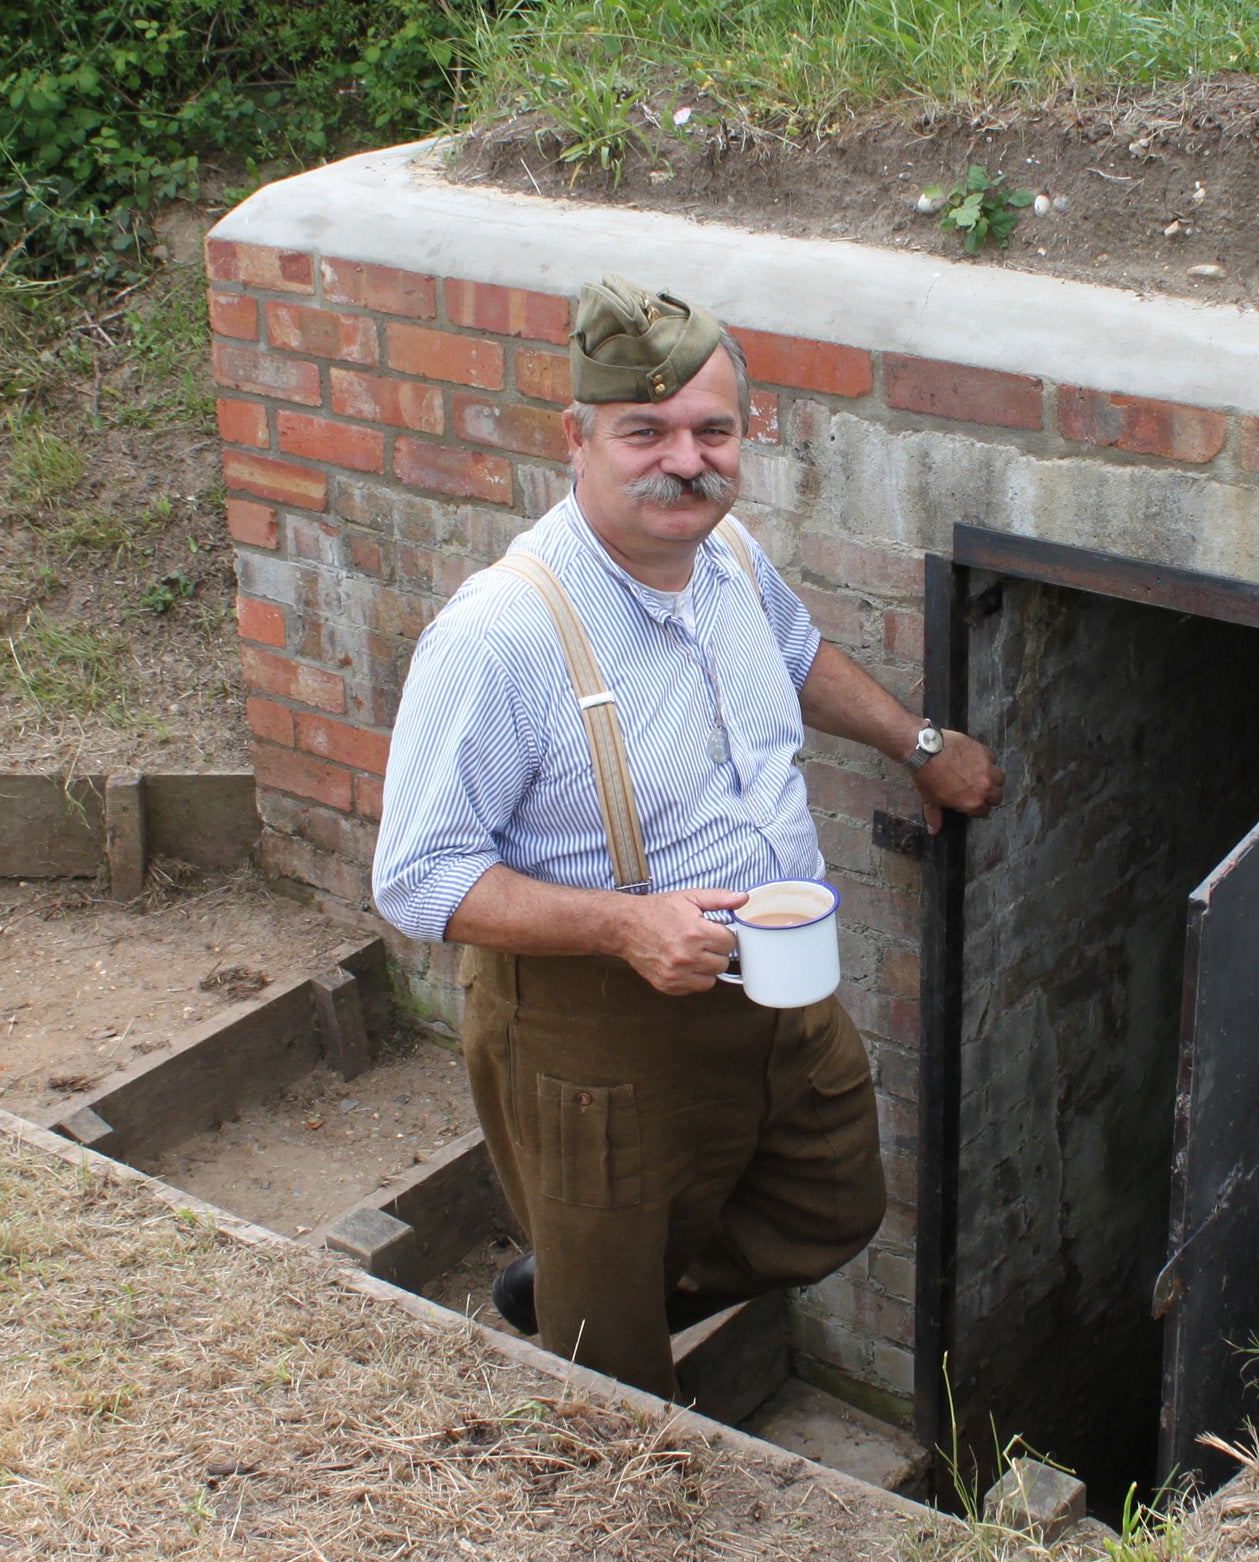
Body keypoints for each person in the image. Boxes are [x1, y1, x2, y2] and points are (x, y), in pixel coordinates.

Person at [369, 275, 1004, 1400]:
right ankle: (617, 1489)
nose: (685, 459)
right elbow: (418, 878)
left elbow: (797, 652)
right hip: (597, 1032)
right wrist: (622, 927)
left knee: (836, 1201)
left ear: (743, 436)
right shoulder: (501, 632)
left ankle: (572, 1281)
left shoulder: (728, 558)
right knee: (609, 1365)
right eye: (645, 432)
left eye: (712, 430)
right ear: (578, 438)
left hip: (774, 985)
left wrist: (920, 745)